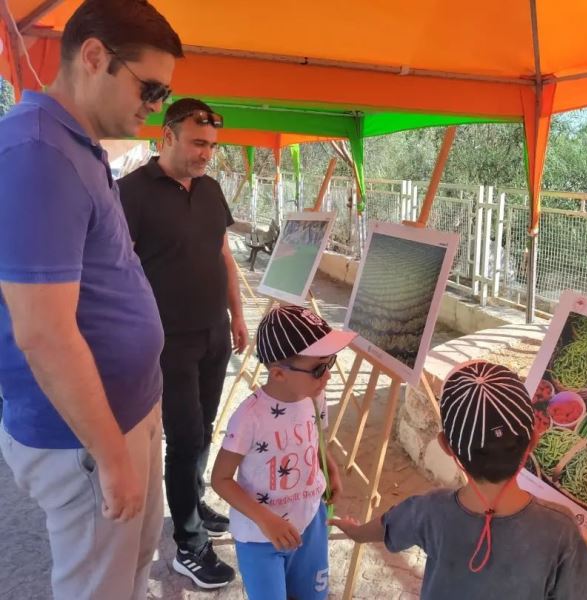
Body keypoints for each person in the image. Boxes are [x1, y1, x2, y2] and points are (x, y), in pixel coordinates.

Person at [0, 1, 182, 599]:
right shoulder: (38, 152)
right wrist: (110, 457)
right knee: (96, 588)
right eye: (150, 89)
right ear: (95, 56)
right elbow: (44, 332)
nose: (155, 108)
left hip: (121, 413)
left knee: (127, 571)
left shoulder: (74, 145)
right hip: (85, 434)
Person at [332, 360, 587, 600]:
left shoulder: (431, 510)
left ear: (447, 446)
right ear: (533, 440)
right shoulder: (559, 528)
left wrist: (355, 531)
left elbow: (385, 527)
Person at [119, 97, 249, 588]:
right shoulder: (129, 193)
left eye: (212, 146)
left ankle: (191, 500)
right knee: (186, 435)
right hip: (166, 341)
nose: (206, 154)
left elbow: (224, 257)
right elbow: (115, 270)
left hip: (214, 332)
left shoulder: (212, 189)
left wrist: (237, 315)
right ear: (166, 137)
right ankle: (189, 545)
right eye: (198, 143)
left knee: (206, 426)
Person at [211, 304, 355, 600]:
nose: (327, 375)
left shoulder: (314, 397)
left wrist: (329, 467)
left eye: (330, 363)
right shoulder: (249, 417)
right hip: (261, 536)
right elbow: (221, 479)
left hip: (310, 520)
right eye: (318, 368)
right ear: (278, 373)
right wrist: (266, 520)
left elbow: (316, 437)